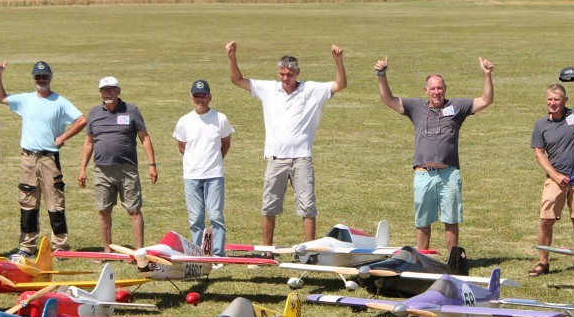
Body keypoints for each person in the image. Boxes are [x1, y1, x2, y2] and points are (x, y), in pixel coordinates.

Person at [226, 42, 346, 244]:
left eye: (290, 74)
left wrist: (338, 62)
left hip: (301, 158)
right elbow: (237, 79)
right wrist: (232, 57)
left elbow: (339, 84)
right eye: (282, 74)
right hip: (275, 159)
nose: (285, 79)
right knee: (269, 206)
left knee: (307, 207)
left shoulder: (311, 90)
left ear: (298, 72)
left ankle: (309, 250)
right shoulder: (269, 89)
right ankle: (267, 249)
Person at [374, 56, 494, 251]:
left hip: (449, 173)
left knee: (451, 218)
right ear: (426, 91)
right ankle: (422, 259)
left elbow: (486, 100)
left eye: (440, 88)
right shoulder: (416, 107)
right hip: (423, 173)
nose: (437, 92)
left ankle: (452, 261)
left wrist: (487, 75)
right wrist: (381, 75)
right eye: (433, 89)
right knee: (422, 219)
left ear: (445, 88)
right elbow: (388, 100)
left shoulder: (457, 107)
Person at [0, 60, 86, 255]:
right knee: (27, 202)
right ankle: (27, 246)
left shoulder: (60, 101)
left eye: (44, 76)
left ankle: (60, 247)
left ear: (50, 78)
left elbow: (81, 120)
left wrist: (63, 137)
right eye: (38, 77)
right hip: (28, 159)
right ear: (33, 79)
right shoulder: (26, 99)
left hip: (49, 159)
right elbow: (0, 97)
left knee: (55, 203)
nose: (41, 80)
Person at [78, 76, 157, 251]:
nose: (108, 93)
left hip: (127, 169)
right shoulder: (94, 113)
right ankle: (107, 249)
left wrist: (152, 165)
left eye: (111, 89)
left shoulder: (132, 110)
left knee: (134, 210)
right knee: (103, 211)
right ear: (100, 93)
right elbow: (89, 142)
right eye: (104, 90)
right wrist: (82, 168)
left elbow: (144, 138)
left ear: (119, 90)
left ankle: (139, 251)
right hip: (101, 170)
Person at [530, 82, 574, 276]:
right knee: (545, 221)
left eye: (557, 99)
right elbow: (539, 153)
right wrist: (555, 176)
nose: (552, 103)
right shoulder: (541, 125)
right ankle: (543, 263)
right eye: (549, 99)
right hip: (555, 179)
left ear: (565, 100)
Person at [173, 80, 233, 264]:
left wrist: (214, 160)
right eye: (197, 96)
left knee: (215, 215)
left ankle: (218, 255)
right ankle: (198, 254)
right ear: (191, 98)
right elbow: (182, 146)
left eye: (204, 95)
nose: (200, 99)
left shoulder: (220, 118)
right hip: (191, 175)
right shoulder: (184, 121)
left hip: (214, 174)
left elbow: (225, 144)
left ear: (210, 97)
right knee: (195, 218)